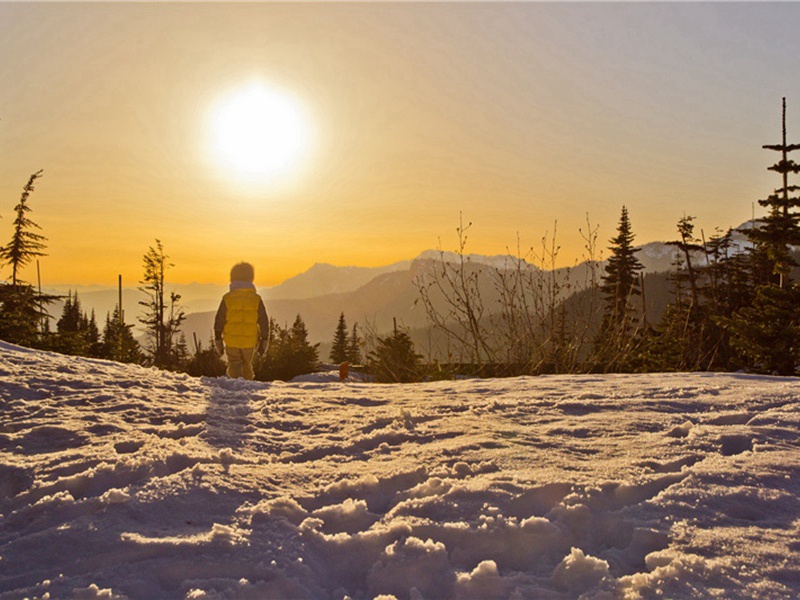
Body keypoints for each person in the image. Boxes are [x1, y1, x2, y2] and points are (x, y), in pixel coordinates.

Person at [214, 262, 270, 380]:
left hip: (231, 340)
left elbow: (219, 319)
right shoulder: (256, 299)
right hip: (249, 341)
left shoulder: (227, 298)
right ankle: (247, 385)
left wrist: (218, 338)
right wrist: (264, 340)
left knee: (234, 364)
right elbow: (263, 321)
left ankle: (235, 386)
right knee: (247, 364)